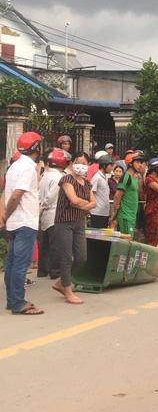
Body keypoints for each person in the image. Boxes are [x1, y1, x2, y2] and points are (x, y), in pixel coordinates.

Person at [1, 132, 45, 315]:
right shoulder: (28, 168)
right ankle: (18, 302)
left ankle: (13, 300)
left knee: (12, 263)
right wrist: (6, 215)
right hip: (25, 221)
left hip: (15, 222)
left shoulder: (14, 166)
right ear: (35, 148)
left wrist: (6, 217)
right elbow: (16, 195)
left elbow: (7, 193)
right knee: (20, 264)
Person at [51, 152, 96, 305]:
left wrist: (83, 204)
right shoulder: (66, 179)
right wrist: (86, 204)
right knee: (66, 257)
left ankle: (60, 282)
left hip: (79, 222)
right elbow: (73, 200)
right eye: (77, 161)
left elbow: (93, 203)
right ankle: (68, 291)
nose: (80, 165)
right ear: (72, 163)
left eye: (84, 163)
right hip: (64, 222)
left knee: (82, 257)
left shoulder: (87, 183)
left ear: (88, 165)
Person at [38, 148, 69, 278]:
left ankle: (42, 270)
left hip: (45, 213)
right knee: (55, 245)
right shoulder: (58, 177)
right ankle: (55, 271)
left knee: (44, 244)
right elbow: (51, 197)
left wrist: (41, 208)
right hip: (54, 212)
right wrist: (44, 206)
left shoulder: (45, 175)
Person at [110, 151, 146, 238]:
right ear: (130, 163)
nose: (140, 165)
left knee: (129, 242)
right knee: (126, 241)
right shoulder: (126, 176)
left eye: (141, 162)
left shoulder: (134, 178)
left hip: (132, 215)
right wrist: (115, 215)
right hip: (125, 216)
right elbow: (117, 195)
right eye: (137, 162)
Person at [142, 158, 158, 247]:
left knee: (157, 231)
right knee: (152, 231)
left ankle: (153, 249)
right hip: (153, 209)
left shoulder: (157, 178)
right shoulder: (149, 179)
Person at [89, 154, 113, 229]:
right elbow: (91, 192)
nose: (111, 168)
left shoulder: (105, 177)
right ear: (104, 166)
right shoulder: (97, 177)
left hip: (104, 213)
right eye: (110, 165)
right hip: (97, 213)